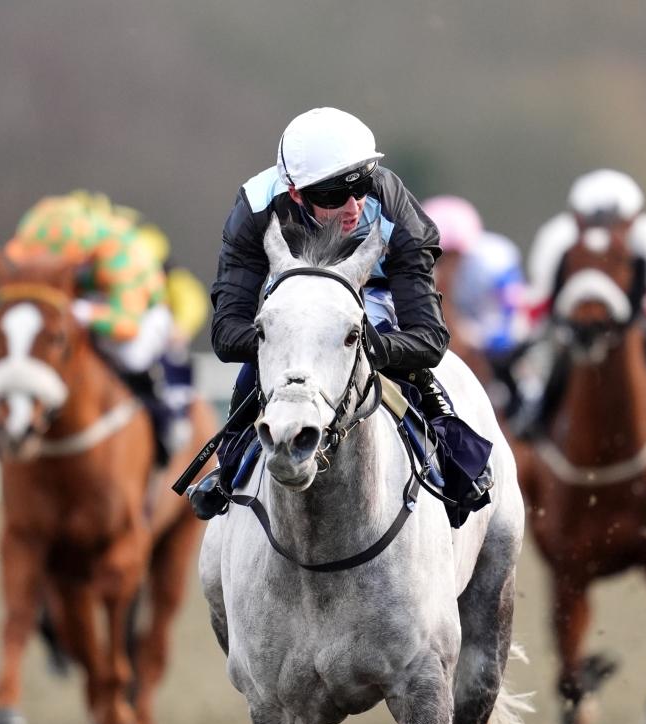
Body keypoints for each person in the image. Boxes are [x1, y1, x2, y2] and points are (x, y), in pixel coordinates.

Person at [189, 107, 494, 521]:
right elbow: (227, 334)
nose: (353, 207)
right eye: (333, 196)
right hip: (292, 307)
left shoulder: (395, 210)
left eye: (362, 186)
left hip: (374, 305)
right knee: (252, 369)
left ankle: (455, 462)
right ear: (295, 192)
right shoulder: (256, 208)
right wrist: (289, 339)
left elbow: (429, 338)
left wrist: (359, 342)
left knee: (417, 372)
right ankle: (229, 470)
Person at [515, 168, 646, 441]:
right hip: (575, 325)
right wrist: (569, 318)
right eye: (592, 222)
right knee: (545, 356)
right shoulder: (556, 241)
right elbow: (539, 300)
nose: (603, 230)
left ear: (632, 220)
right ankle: (534, 404)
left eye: (615, 222)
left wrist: (627, 317)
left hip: (643, 324)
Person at [3, 192, 204, 462]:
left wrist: (81, 314)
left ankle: (168, 414)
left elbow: (127, 324)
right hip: (96, 300)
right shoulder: (64, 229)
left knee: (133, 355)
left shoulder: (124, 258)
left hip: (141, 312)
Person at [421, 195, 531, 415]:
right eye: (439, 256)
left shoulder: (496, 260)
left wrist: (482, 339)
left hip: (492, 343)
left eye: (454, 256)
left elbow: (515, 320)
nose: (447, 265)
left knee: (527, 385)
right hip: (448, 339)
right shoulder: (412, 267)